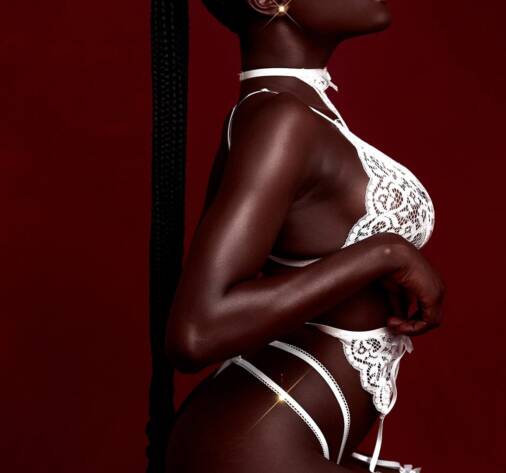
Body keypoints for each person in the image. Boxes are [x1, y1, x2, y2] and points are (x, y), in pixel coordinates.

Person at [147, 1, 445, 472]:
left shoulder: (295, 113)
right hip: (257, 442)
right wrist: (384, 254)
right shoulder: (279, 119)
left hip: (285, 433)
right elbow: (196, 331)